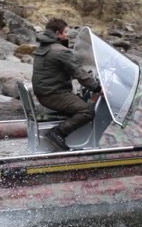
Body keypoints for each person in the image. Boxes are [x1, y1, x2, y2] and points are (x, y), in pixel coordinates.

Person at [32, 18, 101, 150]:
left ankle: (79, 139)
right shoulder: (60, 51)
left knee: (80, 101)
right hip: (54, 94)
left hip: (45, 93)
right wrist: (97, 88)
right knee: (87, 111)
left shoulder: (44, 47)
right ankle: (57, 133)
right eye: (65, 33)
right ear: (57, 33)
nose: (67, 35)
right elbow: (79, 73)